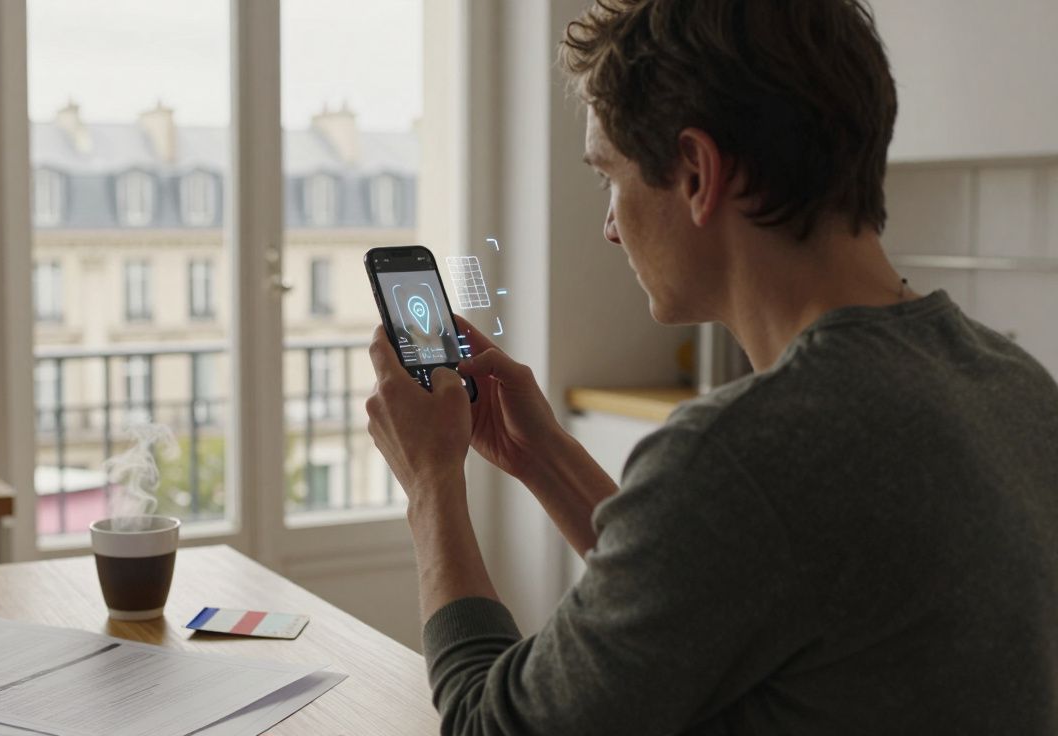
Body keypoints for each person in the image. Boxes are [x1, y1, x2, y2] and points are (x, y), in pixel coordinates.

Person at [363, 0, 1058, 733]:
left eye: (609, 177)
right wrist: (547, 460)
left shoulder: (742, 456)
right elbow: (723, 586)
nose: (608, 226)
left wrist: (431, 487)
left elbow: (487, 727)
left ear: (696, 173)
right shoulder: (1016, 385)